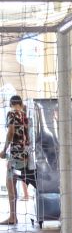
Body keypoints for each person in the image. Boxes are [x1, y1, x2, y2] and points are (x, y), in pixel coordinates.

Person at [1, 95, 34, 225]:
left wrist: (4, 150)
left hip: (15, 155)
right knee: (14, 182)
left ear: (11, 104)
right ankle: (13, 216)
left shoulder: (12, 113)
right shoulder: (25, 115)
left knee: (9, 183)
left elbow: (10, 132)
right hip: (25, 155)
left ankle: (13, 217)